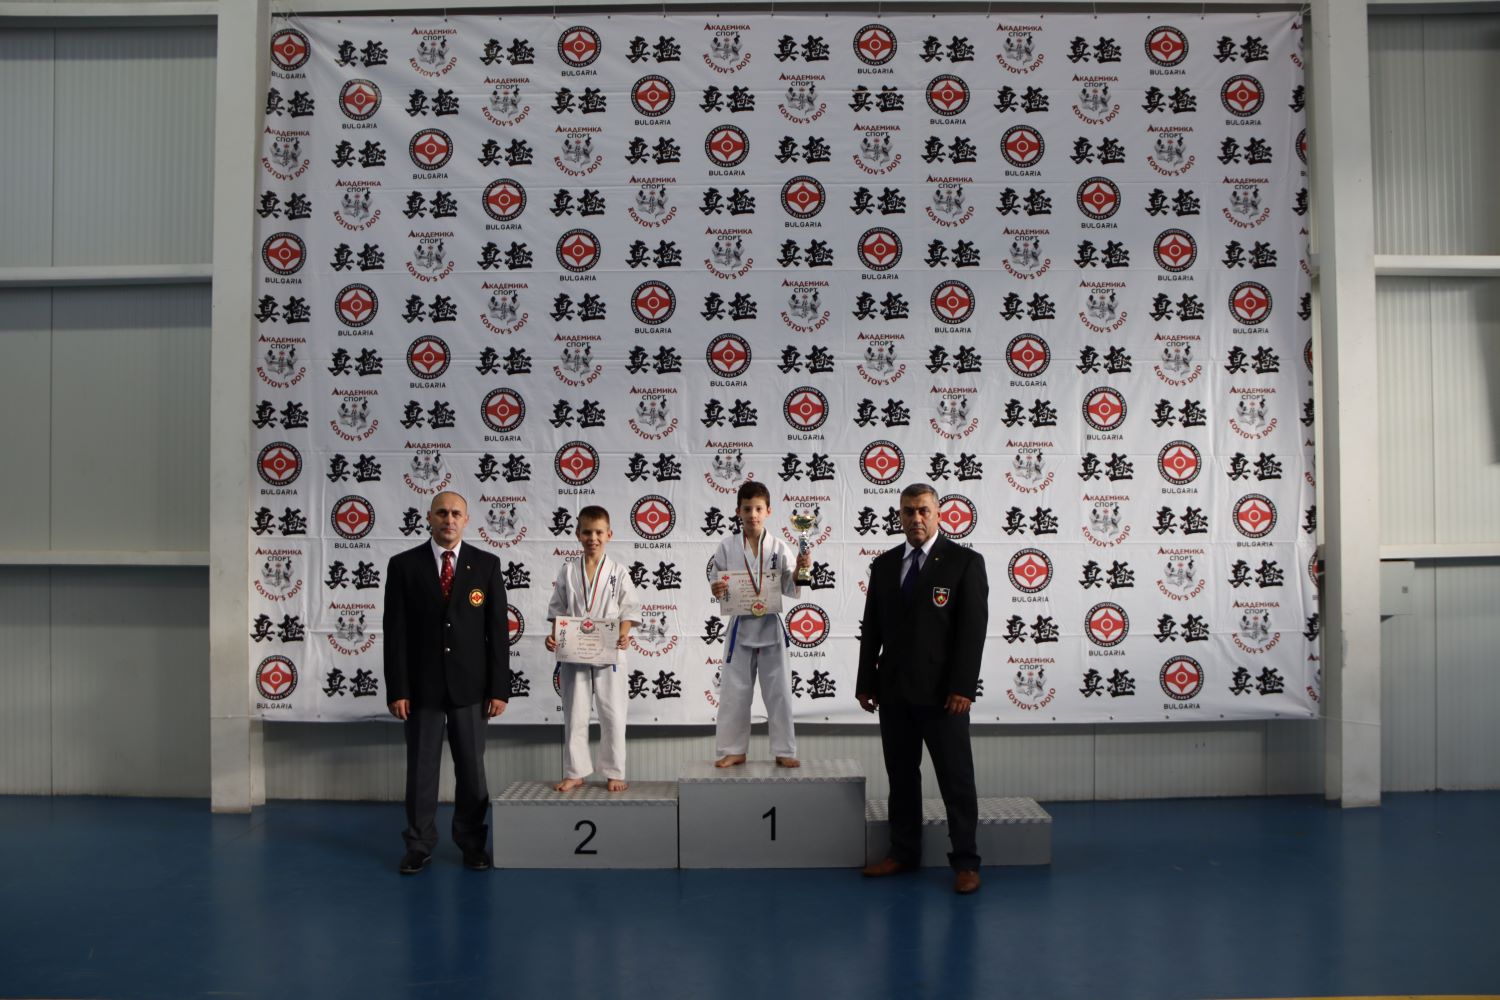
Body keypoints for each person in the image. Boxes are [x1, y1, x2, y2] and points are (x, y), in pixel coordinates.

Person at [856, 483, 989, 894]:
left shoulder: (964, 562)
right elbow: (872, 627)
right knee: (901, 777)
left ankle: (965, 862)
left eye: (923, 510)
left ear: (938, 514)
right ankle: (903, 852)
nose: (916, 518)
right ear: (899, 515)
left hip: (944, 696)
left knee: (956, 779)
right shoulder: (884, 565)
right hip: (894, 692)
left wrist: (963, 686)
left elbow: (972, 631)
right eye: (908, 511)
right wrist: (865, 683)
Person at [383, 491, 509, 875]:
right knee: (421, 771)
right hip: (421, 689)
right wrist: (398, 689)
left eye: (456, 513)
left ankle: (472, 843)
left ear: (466, 520)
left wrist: (499, 688)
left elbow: (497, 632)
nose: (448, 519)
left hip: (471, 688)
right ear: (429, 517)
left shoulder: (486, 565)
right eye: (442, 513)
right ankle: (418, 844)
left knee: (471, 770)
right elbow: (395, 634)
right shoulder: (404, 566)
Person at [707, 481, 811, 768]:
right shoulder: (727, 546)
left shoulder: (779, 546)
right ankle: (734, 749)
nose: (752, 514)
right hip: (740, 628)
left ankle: (784, 750)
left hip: (770, 627)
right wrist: (717, 588)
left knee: (779, 692)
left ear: (768, 511)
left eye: (758, 509)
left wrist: (803, 568)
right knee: (734, 692)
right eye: (747, 509)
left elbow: (792, 584)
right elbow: (716, 581)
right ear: (738, 511)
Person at [544, 506, 641, 793]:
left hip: (610, 652)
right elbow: (558, 610)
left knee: (613, 713)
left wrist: (624, 634)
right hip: (575, 652)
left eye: (599, 532)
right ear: (578, 534)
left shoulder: (618, 572)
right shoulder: (568, 571)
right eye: (587, 532)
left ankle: (614, 771)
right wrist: (553, 637)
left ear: (609, 534)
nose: (593, 538)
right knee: (574, 714)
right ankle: (575, 771)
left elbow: (629, 609)